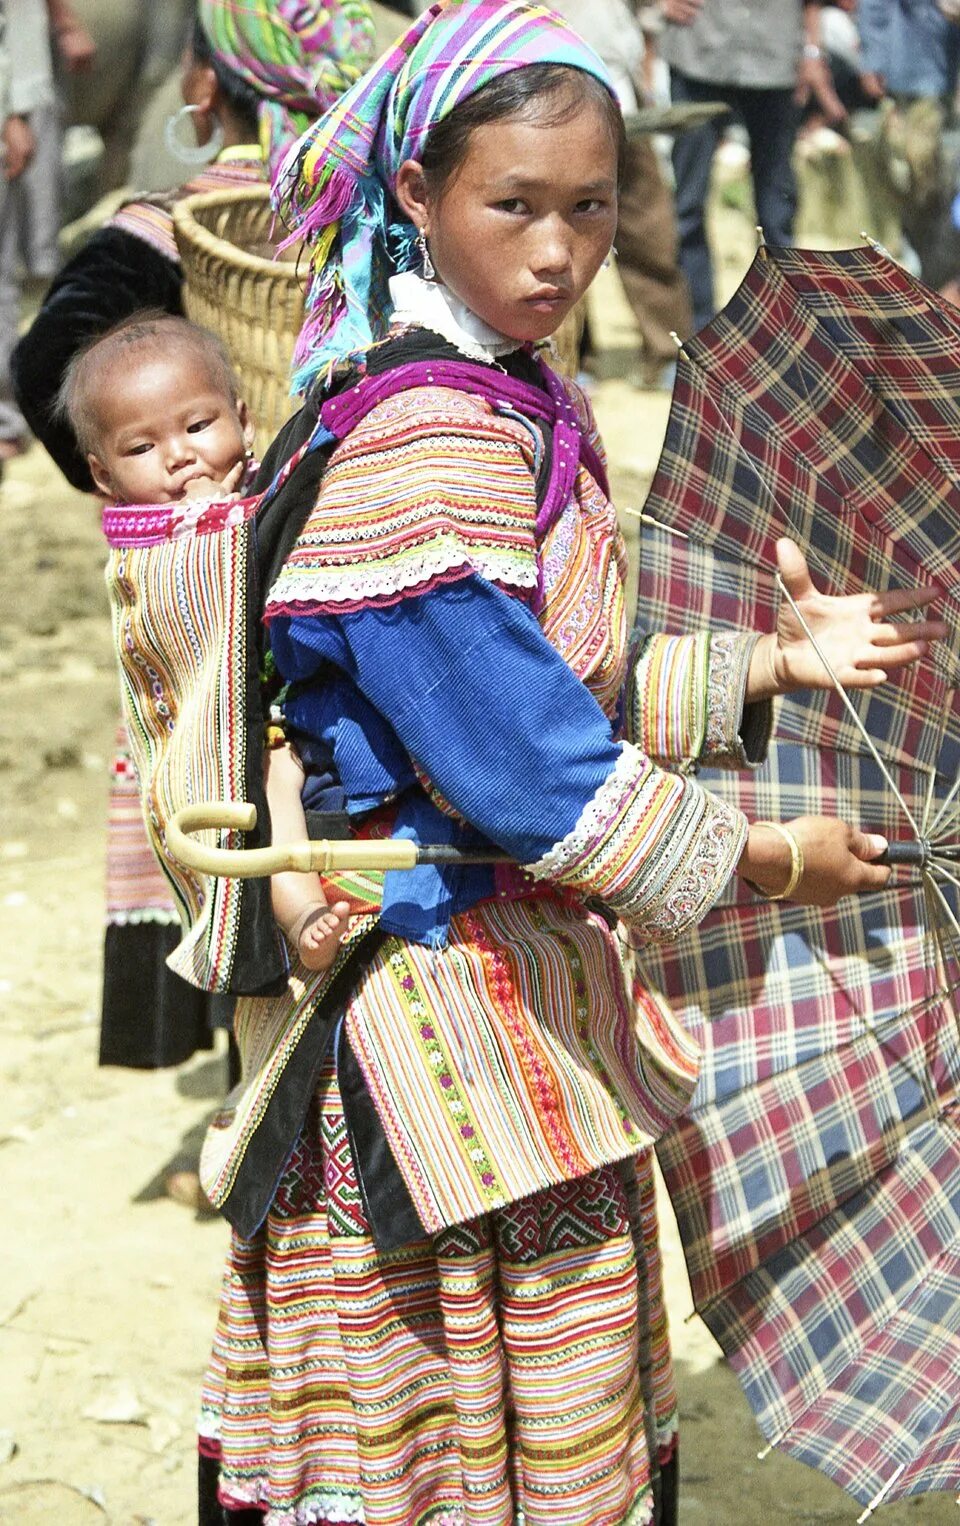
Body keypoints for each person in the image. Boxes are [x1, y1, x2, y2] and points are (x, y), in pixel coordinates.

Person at [190, 4, 945, 1522]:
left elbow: (555, 685)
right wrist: (769, 858)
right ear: (416, 194)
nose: (558, 250)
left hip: (518, 991)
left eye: (591, 207)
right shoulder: (425, 443)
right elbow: (532, 775)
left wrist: (769, 664)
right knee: (469, 1449)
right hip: (429, 1024)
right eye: (512, 206)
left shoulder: (506, 390)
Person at [10, 1, 376, 1094]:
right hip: (361, 564)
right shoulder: (383, 205)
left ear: (206, 94)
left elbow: (44, 364)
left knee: (217, 797)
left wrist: (131, 469)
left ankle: (252, 1069)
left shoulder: (177, 220)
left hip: (214, 597)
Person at [59, 310, 353, 976]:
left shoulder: (273, 491)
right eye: (142, 448)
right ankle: (301, 913)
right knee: (271, 788)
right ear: (103, 476)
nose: (179, 455)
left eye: (199, 426)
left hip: (295, 699)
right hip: (237, 732)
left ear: (243, 421)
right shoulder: (151, 546)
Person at [659, 0, 847, 331]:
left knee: (776, 211)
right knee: (688, 205)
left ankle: (782, 328)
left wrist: (813, 52)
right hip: (699, 51)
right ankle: (696, 332)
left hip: (775, 56)